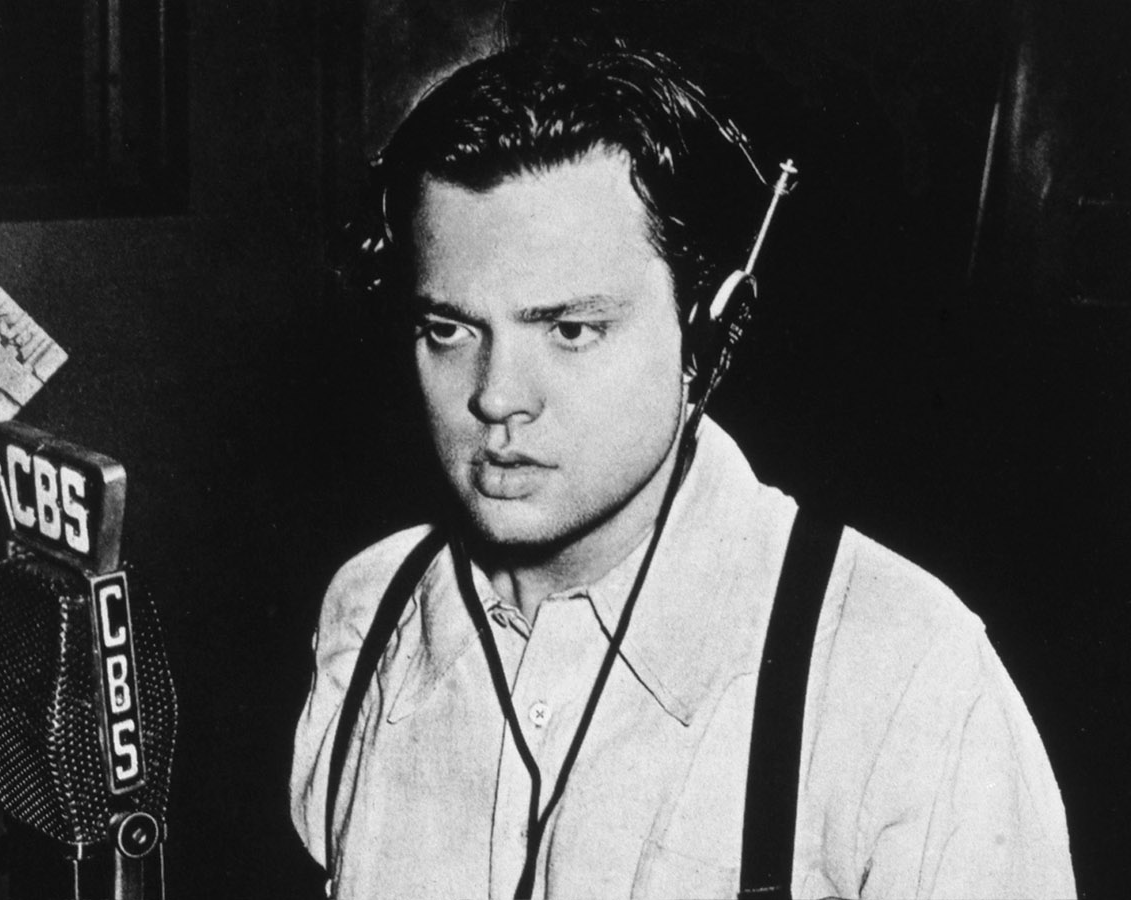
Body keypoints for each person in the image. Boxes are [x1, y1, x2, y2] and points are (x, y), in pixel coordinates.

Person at [290, 39, 1075, 899]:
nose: (496, 397)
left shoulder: (907, 676)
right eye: (449, 330)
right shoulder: (370, 615)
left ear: (709, 332)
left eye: (571, 330)